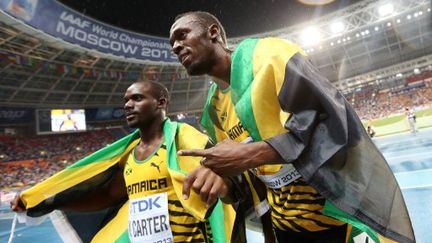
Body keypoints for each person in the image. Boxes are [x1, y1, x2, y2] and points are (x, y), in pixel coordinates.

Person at [169, 11, 415, 243]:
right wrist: (225, 185)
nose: (176, 46)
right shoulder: (212, 111)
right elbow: (253, 185)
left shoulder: (271, 56)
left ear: (213, 32)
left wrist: (250, 153)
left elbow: (328, 122)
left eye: (182, 35)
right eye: (172, 43)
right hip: (284, 228)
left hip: (336, 219)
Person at [11, 80, 241, 242]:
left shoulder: (187, 141)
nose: (128, 105)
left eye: (137, 98)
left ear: (161, 103)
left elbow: (231, 187)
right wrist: (52, 201)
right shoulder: (130, 156)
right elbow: (108, 195)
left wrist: (224, 184)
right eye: (126, 100)